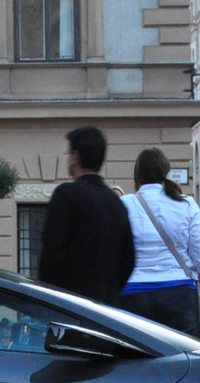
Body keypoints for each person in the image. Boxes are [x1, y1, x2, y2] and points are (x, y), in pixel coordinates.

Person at [119, 147, 200, 338]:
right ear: (166, 171)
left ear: (137, 175)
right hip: (179, 295)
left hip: (132, 296)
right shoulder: (186, 204)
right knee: (183, 361)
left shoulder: (124, 204)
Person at [37, 126, 135, 306]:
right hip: (107, 311)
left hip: (70, 309)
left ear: (75, 156)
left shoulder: (65, 195)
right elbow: (129, 260)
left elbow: (51, 253)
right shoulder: (117, 204)